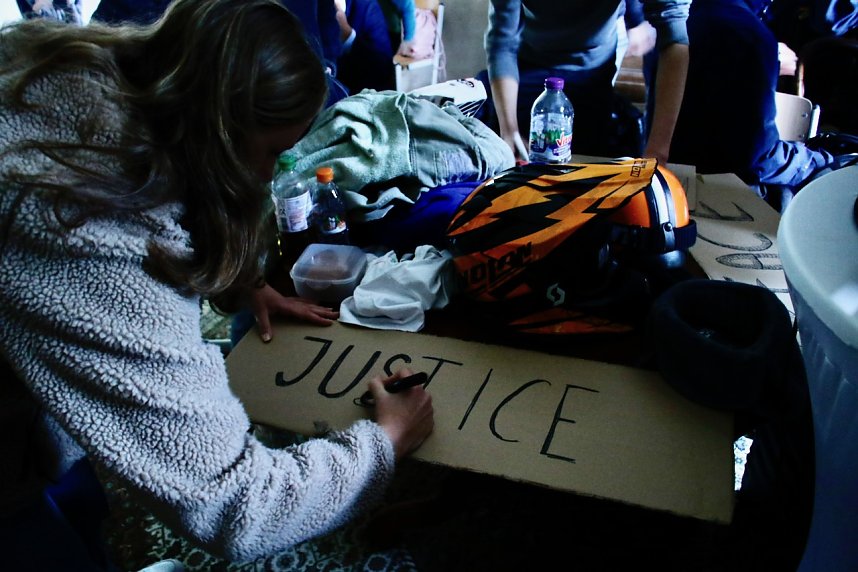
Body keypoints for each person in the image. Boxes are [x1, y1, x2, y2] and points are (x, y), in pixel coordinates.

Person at [0, 1, 434, 569]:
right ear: (218, 133)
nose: (266, 176)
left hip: (28, 408)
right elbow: (239, 506)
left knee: (76, 504)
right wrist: (385, 444)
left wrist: (241, 283)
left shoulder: (84, 65)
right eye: (272, 153)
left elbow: (181, 203)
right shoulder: (82, 227)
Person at [656, 0, 836, 209]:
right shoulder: (750, 36)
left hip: (672, 185)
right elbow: (758, 157)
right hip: (719, 197)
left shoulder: (681, 19)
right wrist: (815, 161)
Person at [478, 0, 691, 163]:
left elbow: (674, 35)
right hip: (526, 66)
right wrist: (509, 129)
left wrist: (657, 151)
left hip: (592, 68)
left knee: (587, 158)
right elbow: (502, 42)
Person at [333, 0, 396, 93]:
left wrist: (349, 36)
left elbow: (384, 67)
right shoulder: (310, 10)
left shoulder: (367, 7)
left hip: (362, 94)